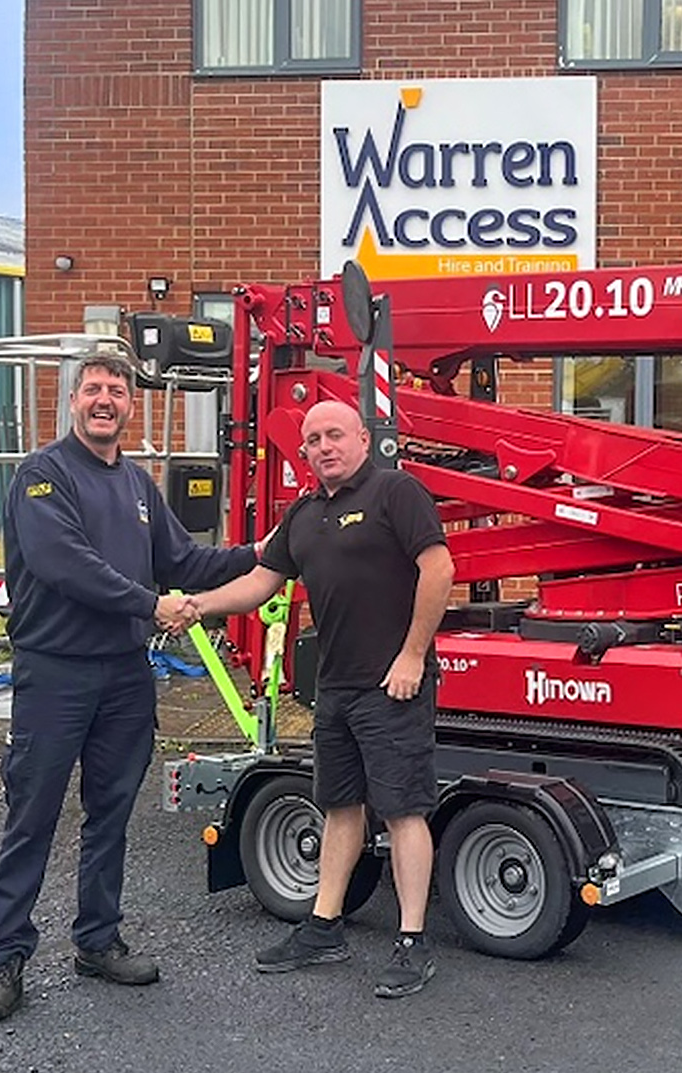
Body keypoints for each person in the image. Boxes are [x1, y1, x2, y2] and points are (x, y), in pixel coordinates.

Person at [0, 352, 260, 1024]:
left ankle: (97, 941)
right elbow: (65, 564)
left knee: (111, 814)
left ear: (130, 404)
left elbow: (183, 559)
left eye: (117, 390)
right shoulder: (43, 477)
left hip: (126, 676)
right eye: (94, 389)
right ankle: (4, 956)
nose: (106, 399)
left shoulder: (136, 482)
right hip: (56, 673)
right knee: (33, 815)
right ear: (72, 401)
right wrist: (150, 605)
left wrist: (264, 550)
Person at [192, 398, 453, 999]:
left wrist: (412, 655)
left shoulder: (396, 493)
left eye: (335, 434)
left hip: (392, 685)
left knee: (403, 810)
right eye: (313, 440)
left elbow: (439, 570)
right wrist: (198, 607)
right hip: (334, 688)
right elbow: (261, 583)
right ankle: (324, 926)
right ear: (304, 453)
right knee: (339, 807)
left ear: (363, 438)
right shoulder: (303, 515)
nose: (324, 446)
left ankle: (413, 940)